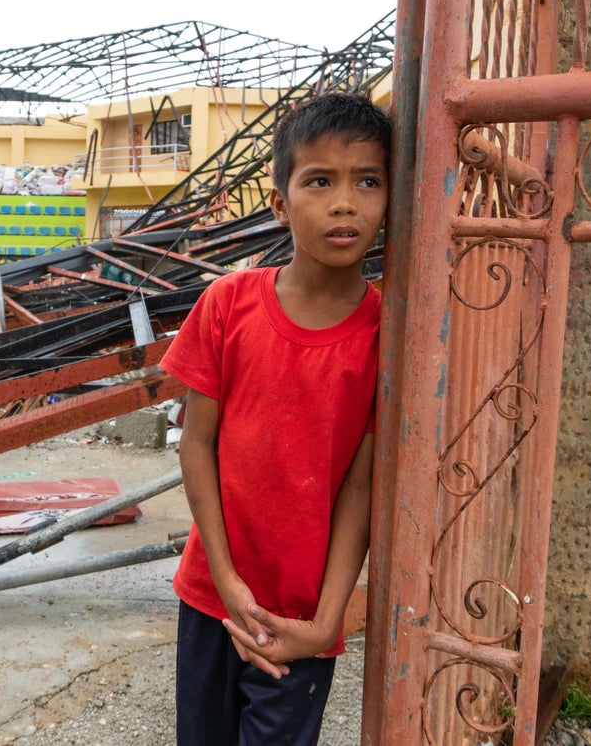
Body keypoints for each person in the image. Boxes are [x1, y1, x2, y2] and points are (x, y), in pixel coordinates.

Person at [160, 91, 390, 746]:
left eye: (367, 181)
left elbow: (359, 487)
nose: (344, 202)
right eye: (320, 181)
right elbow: (195, 445)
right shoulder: (229, 304)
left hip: (301, 617)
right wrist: (229, 583)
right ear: (280, 202)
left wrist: (326, 622)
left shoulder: (385, 334)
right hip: (212, 595)